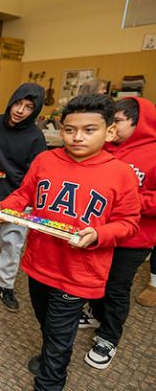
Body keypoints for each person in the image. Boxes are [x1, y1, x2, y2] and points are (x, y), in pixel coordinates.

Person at [0, 94, 141, 390]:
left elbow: (129, 223)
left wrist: (100, 234)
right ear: (61, 130)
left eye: (89, 130)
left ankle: (52, 377)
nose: (77, 137)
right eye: (70, 129)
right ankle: (53, 355)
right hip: (39, 263)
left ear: (109, 132)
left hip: (78, 273)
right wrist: (6, 206)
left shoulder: (120, 173)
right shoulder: (45, 160)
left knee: (60, 332)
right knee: (46, 321)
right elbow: (25, 194)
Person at [78, 97, 156, 369]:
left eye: (118, 121)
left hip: (134, 238)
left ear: (138, 121)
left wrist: (129, 200)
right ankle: (96, 314)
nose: (112, 125)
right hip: (101, 232)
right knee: (95, 277)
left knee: (116, 286)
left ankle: (109, 337)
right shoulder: (108, 148)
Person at [0, 83, 47, 311]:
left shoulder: (36, 137)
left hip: (18, 198)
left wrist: (23, 199)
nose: (20, 110)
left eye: (28, 107)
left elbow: (36, 174)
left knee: (12, 243)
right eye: (18, 103)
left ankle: (6, 284)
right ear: (11, 101)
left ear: (35, 111)